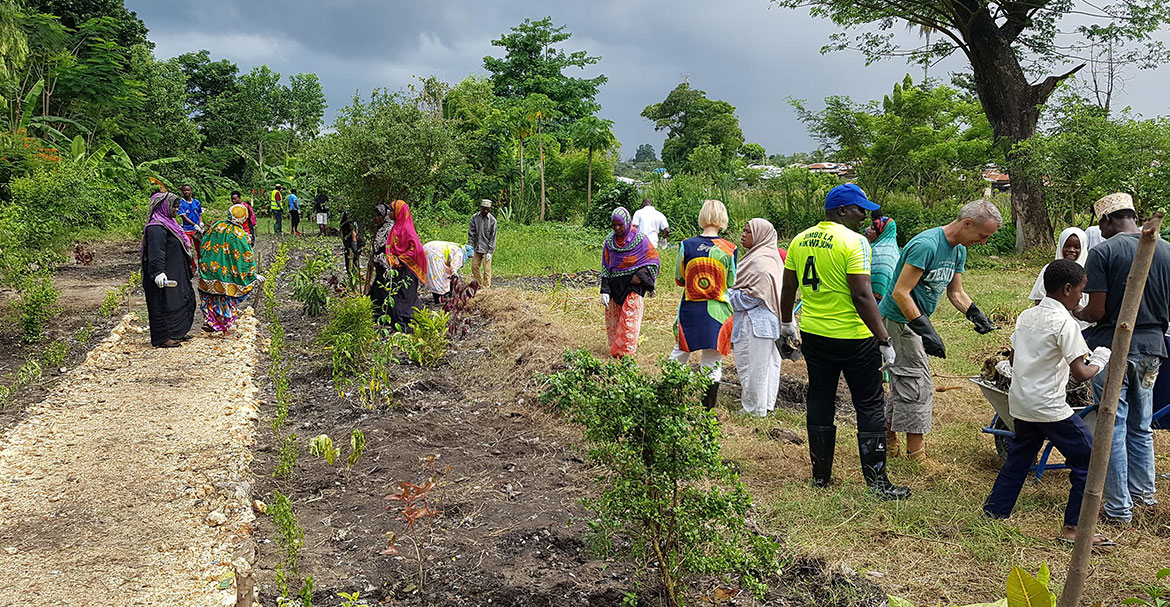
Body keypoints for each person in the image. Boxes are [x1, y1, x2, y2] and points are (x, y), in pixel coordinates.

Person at [780, 183, 909, 499]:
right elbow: (862, 295)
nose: (865, 215)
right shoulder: (855, 242)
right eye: (859, 209)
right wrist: (884, 339)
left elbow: (788, 288)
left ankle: (820, 478)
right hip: (854, 338)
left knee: (820, 400)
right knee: (869, 403)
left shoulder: (799, 240)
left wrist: (786, 323)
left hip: (814, 334)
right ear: (841, 210)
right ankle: (877, 484)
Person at [983, 260, 1115, 546]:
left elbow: (1014, 360)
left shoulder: (1027, 316)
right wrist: (1101, 359)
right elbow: (1080, 374)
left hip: (1021, 402)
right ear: (1067, 289)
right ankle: (1074, 528)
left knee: (1018, 460)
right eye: (1080, 291)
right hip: (1049, 408)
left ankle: (993, 514)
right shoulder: (1065, 323)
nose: (1082, 298)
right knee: (1089, 459)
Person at [879, 199, 1002, 462]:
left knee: (905, 380)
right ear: (967, 224)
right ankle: (916, 455)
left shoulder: (958, 250)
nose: (983, 243)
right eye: (982, 235)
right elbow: (901, 293)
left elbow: (955, 292)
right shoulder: (927, 245)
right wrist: (926, 331)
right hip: (899, 320)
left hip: (914, 320)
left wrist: (975, 314)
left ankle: (887, 439)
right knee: (917, 384)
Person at [1075, 192, 1170, 523]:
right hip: (1153, 349)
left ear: (1106, 220)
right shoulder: (1166, 249)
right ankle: (1144, 497)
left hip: (1112, 348)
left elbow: (1097, 311)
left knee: (1112, 426)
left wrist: (1077, 311)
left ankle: (1118, 509)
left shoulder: (1104, 251)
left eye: (1099, 224)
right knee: (1141, 425)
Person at [671, 199, 737, 409]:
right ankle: (707, 410)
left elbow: (679, 278)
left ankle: (669, 400)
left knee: (680, 353)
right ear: (722, 218)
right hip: (718, 311)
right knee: (712, 361)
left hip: (691, 309)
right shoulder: (730, 249)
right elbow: (731, 281)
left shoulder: (686, 245)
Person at [728, 218, 783, 417]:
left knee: (751, 366)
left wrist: (725, 295)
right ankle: (764, 405)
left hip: (755, 323)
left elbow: (752, 297)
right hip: (768, 322)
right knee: (766, 365)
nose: (743, 235)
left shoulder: (760, 263)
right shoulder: (769, 257)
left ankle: (754, 408)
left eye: (748, 232)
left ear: (760, 235)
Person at [600, 207, 660, 358]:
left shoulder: (640, 240)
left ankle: (626, 353)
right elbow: (606, 265)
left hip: (633, 285)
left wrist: (640, 276)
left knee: (630, 318)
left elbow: (653, 261)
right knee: (615, 319)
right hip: (615, 285)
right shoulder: (609, 242)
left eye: (620, 225)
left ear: (627, 223)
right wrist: (605, 290)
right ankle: (615, 350)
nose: (617, 228)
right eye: (614, 225)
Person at [141, 192, 196, 348]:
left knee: (179, 300)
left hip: (175, 270)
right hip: (163, 272)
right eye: (173, 207)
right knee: (161, 303)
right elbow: (156, 251)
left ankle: (177, 332)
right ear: (163, 207)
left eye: (177, 207)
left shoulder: (170, 224)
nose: (176, 210)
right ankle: (163, 337)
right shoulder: (156, 228)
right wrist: (158, 272)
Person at [198, 203, 262, 336]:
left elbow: (204, 243)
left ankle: (211, 322)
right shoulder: (239, 234)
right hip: (228, 275)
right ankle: (226, 328)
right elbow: (245, 257)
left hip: (211, 270)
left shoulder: (217, 226)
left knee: (212, 297)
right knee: (227, 299)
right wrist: (252, 274)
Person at [365, 200, 427, 330]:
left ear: (399, 212)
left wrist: (401, 259)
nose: (390, 213)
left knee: (406, 297)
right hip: (397, 269)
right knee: (396, 296)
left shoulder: (407, 229)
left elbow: (417, 250)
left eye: (392, 210)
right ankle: (397, 322)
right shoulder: (396, 228)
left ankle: (408, 323)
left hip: (408, 269)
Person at [1028, 228, 1090, 329]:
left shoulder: (1089, 272)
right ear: (1060, 246)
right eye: (1067, 246)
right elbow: (1039, 298)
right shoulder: (1050, 269)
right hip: (1052, 324)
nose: (1071, 250)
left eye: (1077, 247)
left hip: (1082, 327)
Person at [866, 211, 899, 302]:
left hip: (876, 300)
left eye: (873, 229)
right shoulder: (894, 250)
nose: (869, 231)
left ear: (881, 233)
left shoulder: (882, 254)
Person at [469, 199, 497, 288]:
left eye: (487, 209)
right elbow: (471, 233)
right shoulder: (474, 218)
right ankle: (479, 284)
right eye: (484, 209)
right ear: (481, 208)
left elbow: (493, 237)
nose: (485, 211)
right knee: (474, 266)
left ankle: (486, 287)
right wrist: (471, 246)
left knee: (486, 269)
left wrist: (490, 252)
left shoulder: (492, 220)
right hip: (477, 248)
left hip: (486, 249)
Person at [177, 184, 203, 262]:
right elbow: (184, 216)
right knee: (188, 248)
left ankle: (201, 263)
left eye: (188, 190)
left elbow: (200, 214)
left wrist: (201, 223)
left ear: (191, 191)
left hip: (196, 230)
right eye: (184, 190)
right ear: (182, 191)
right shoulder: (181, 203)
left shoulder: (196, 202)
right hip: (186, 229)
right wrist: (194, 224)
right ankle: (192, 264)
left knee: (199, 247)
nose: (186, 192)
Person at [340, 209, 363, 274]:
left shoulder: (350, 214)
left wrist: (354, 243)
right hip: (351, 241)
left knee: (352, 259)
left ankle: (353, 274)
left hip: (352, 242)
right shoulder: (351, 213)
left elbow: (353, 230)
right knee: (353, 260)